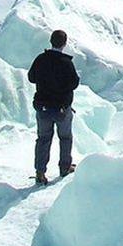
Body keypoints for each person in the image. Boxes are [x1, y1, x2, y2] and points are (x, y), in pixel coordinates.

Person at [27, 29, 80, 185]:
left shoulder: (41, 59)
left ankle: (40, 172)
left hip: (43, 107)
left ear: (51, 41)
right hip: (62, 109)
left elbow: (31, 78)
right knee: (65, 137)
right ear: (64, 44)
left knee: (43, 139)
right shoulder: (66, 63)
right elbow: (74, 83)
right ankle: (65, 167)